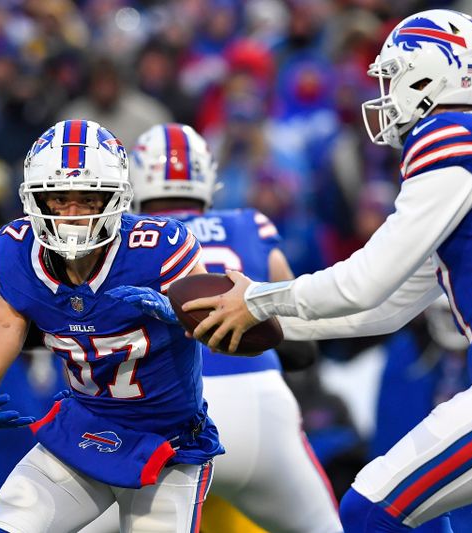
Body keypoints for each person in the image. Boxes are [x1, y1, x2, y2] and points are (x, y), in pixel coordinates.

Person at [182, 9, 472, 532]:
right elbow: (387, 306)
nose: (384, 91)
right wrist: (281, 327)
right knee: (403, 505)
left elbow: (364, 280)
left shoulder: (448, 134)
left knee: (372, 506)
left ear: (431, 73)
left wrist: (260, 300)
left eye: (393, 74)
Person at [0, 119, 223, 533]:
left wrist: (187, 318)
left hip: (166, 444)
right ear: (36, 200)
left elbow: (227, 332)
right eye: (59, 199)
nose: (73, 215)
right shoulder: (16, 252)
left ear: (114, 199)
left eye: (88, 199)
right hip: (83, 429)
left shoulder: (158, 249)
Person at [110, 122, 342, 532]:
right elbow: (300, 344)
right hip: (257, 404)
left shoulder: (120, 240)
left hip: (163, 418)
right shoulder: (250, 225)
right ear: (208, 176)